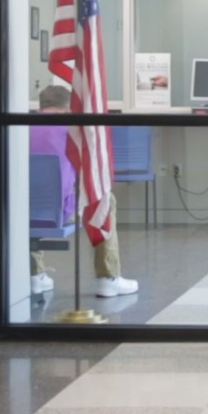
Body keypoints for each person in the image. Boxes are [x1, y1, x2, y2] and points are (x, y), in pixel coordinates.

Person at [30, 85, 139, 298]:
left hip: (22, 212)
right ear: (69, 107)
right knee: (106, 201)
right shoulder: (72, 131)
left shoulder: (19, 126)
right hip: (59, 213)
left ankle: (34, 274)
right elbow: (90, 173)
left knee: (28, 203)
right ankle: (108, 278)